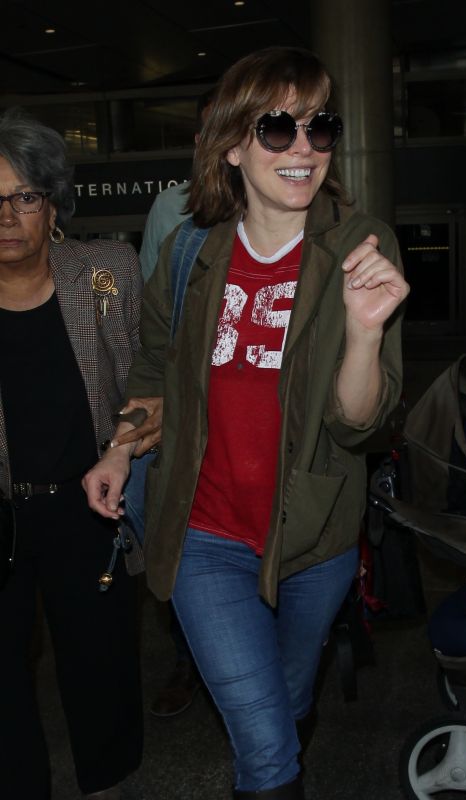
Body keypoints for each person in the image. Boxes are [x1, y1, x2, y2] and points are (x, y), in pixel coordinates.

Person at [84, 46, 409, 799]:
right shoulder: (190, 251)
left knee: (289, 705)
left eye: (319, 127)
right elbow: (152, 375)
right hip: (205, 536)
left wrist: (363, 334)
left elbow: (361, 424)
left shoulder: (360, 248)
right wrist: (118, 450)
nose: (303, 147)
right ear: (233, 144)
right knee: (263, 748)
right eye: (276, 128)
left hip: (314, 537)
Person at [0, 108, 153, 800]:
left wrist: (122, 447)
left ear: (52, 203)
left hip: (85, 504)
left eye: (22, 197)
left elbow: (152, 385)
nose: (6, 216)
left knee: (100, 661)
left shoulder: (105, 275)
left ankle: (107, 783)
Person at [136, 91, 215, 719]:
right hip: (189, 408)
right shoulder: (174, 209)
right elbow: (152, 317)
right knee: (171, 529)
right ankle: (191, 659)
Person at [139, 90, 214, 281]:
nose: (222, 142)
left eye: (230, 131)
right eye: (212, 132)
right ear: (199, 142)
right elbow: (147, 290)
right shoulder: (168, 205)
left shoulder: (266, 204)